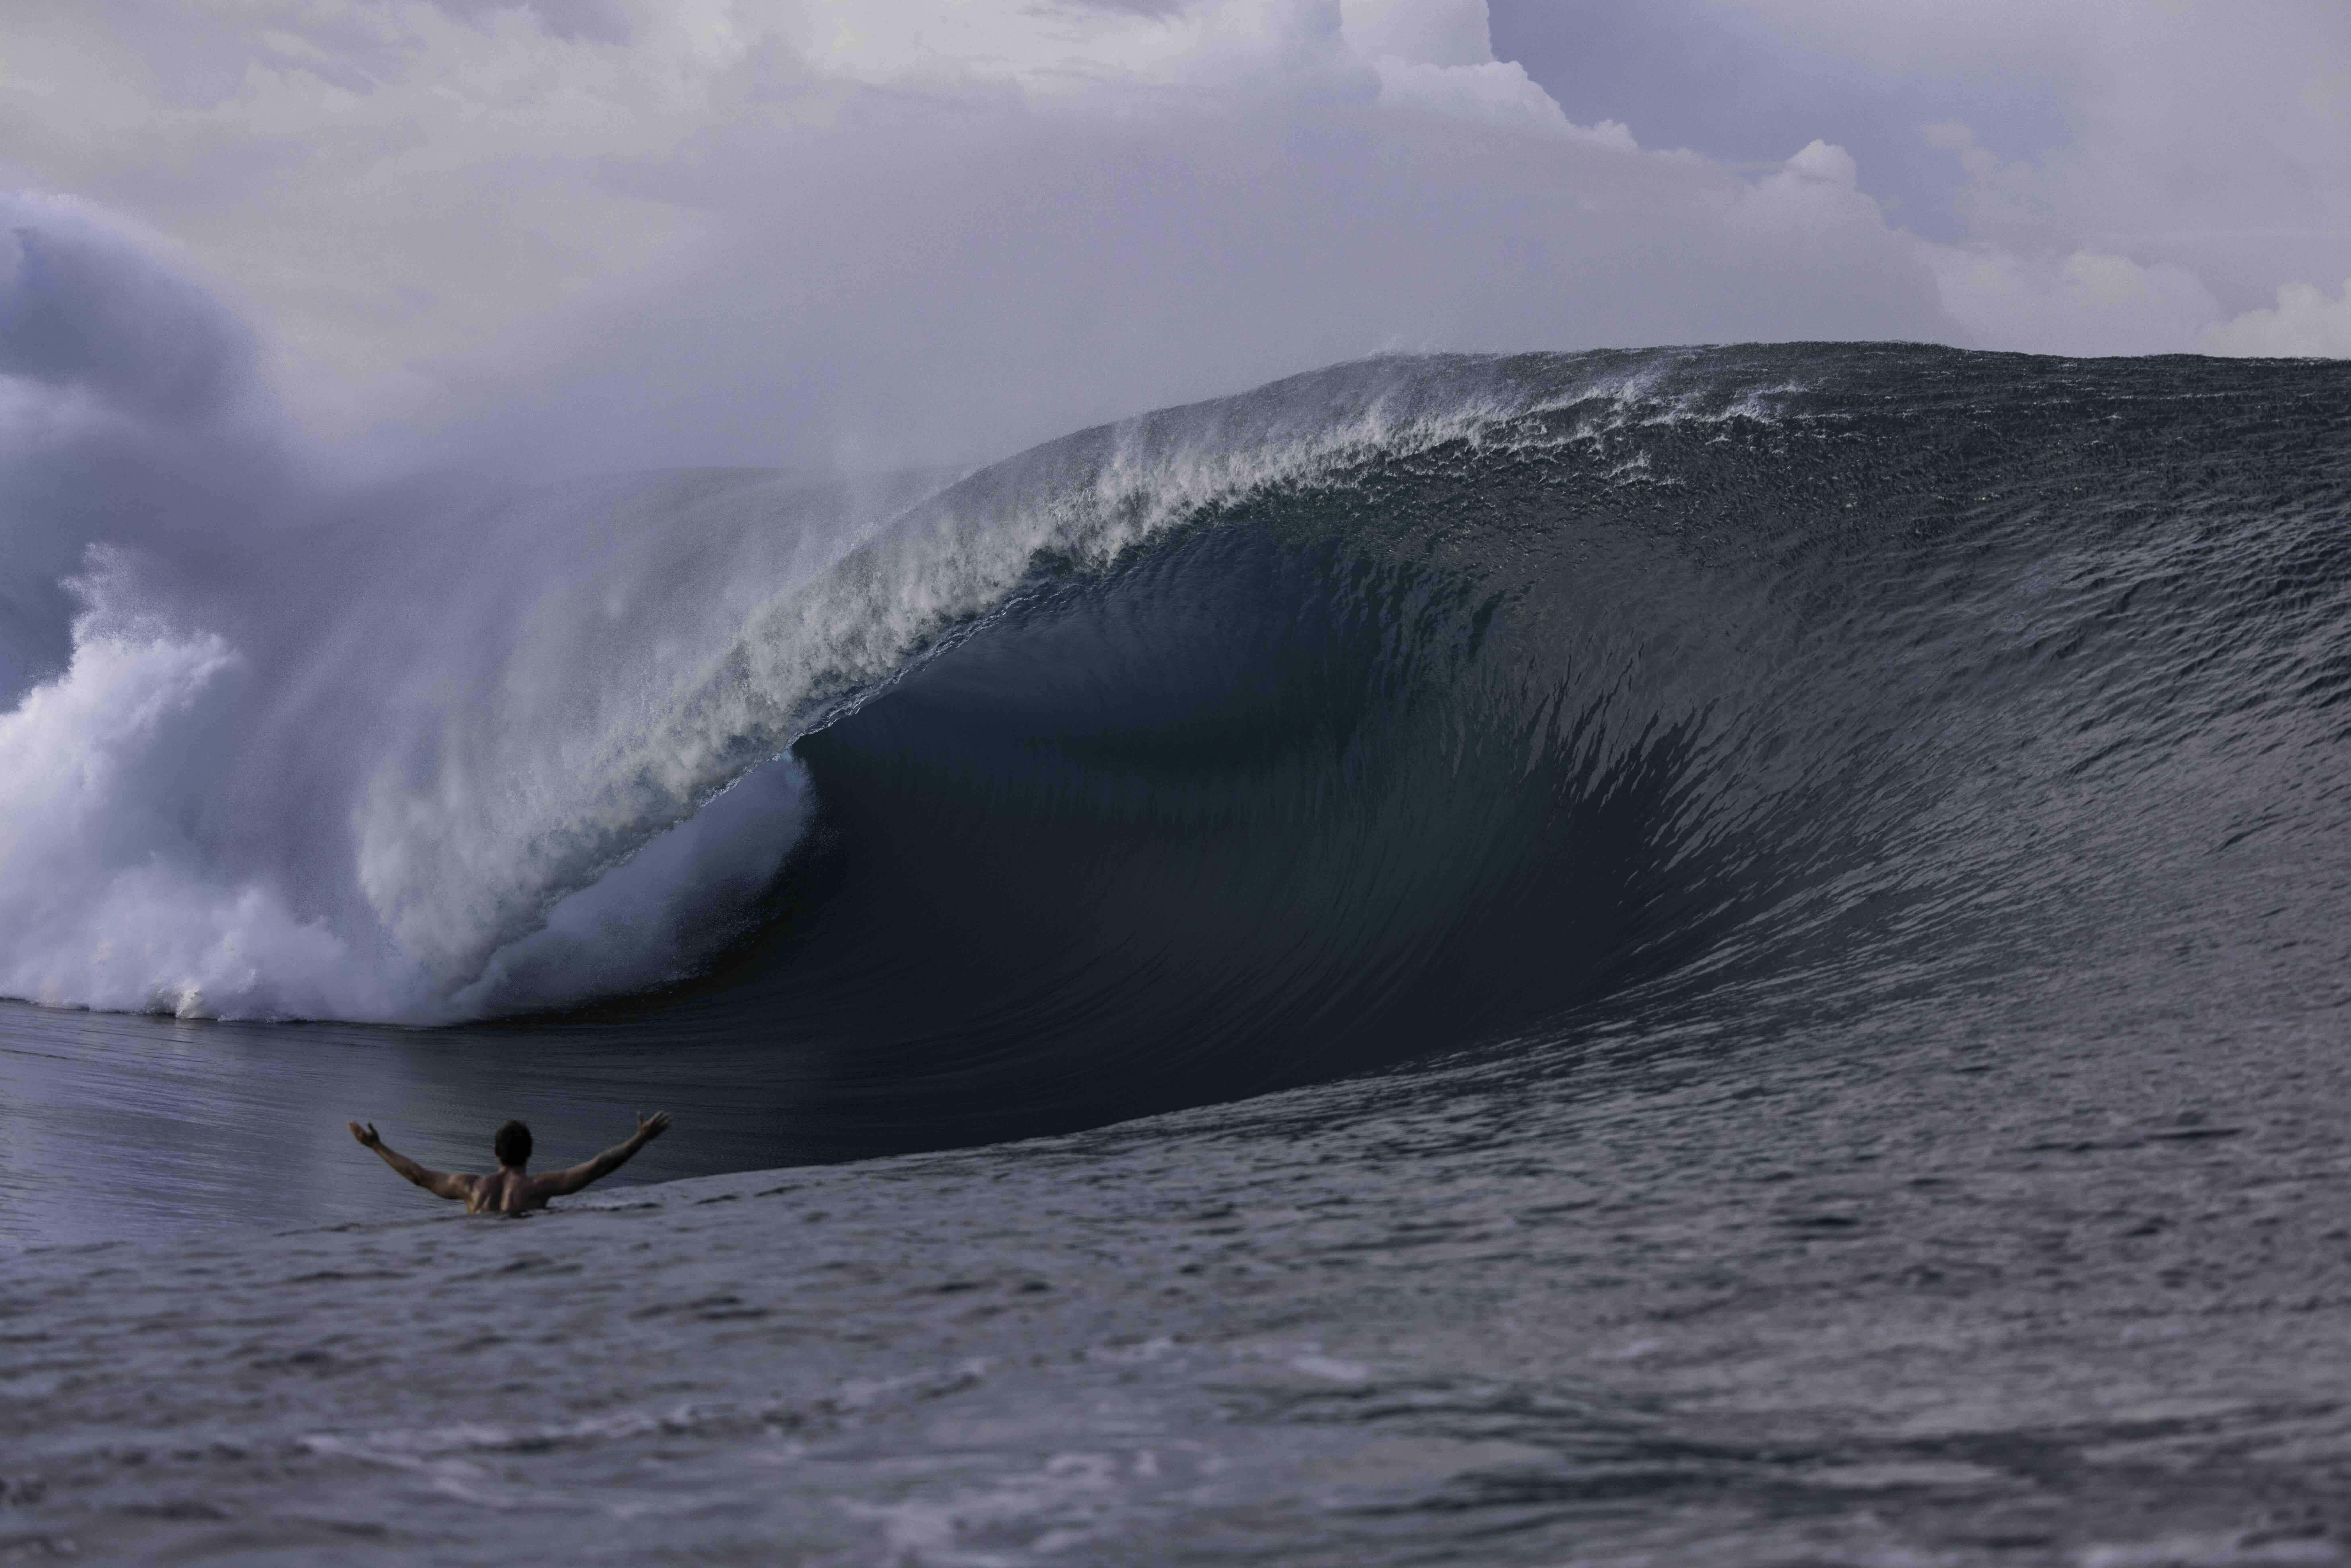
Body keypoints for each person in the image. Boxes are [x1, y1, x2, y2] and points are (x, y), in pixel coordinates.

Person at [347, 1112, 672, 1215]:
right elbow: (599, 1166)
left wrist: (377, 1146)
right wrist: (640, 1138)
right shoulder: (540, 1187)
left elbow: (418, 1176)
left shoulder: (470, 1187)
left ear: (495, 1152)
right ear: (529, 1153)